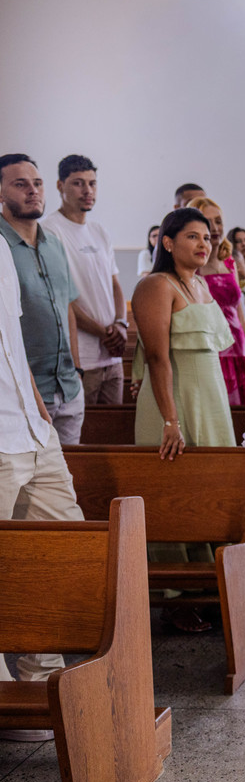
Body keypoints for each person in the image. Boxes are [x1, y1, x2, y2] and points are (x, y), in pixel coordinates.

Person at [131, 207, 236, 634]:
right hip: (174, 401)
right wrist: (171, 420)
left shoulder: (201, 284)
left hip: (209, 399)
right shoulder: (155, 285)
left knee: (211, 491)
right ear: (168, 242)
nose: (203, 244)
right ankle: (175, 599)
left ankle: (211, 587)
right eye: (192, 236)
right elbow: (157, 357)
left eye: (207, 237)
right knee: (174, 495)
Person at [0, 234, 86, 740]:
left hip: (31, 428)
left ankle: (42, 677)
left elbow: (12, 339)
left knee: (62, 555)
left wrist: (39, 414)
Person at [0, 154, 84, 445]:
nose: (33, 191)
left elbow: (67, 307)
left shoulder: (54, 245)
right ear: (0, 192)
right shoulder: (1, 248)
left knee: (71, 482)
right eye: (20, 184)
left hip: (69, 389)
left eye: (37, 183)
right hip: (19, 397)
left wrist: (76, 367)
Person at [42, 155, 127, 405]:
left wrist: (121, 324)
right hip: (82, 358)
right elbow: (60, 296)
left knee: (114, 435)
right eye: (78, 183)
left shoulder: (100, 231)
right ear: (60, 186)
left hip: (112, 358)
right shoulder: (49, 231)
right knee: (84, 437)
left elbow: (115, 285)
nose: (87, 191)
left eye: (92, 183)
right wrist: (103, 333)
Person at [189, 197, 245, 404]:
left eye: (218, 221)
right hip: (210, 349)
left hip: (238, 346)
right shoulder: (192, 266)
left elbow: (241, 315)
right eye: (207, 222)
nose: (215, 228)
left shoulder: (229, 261)